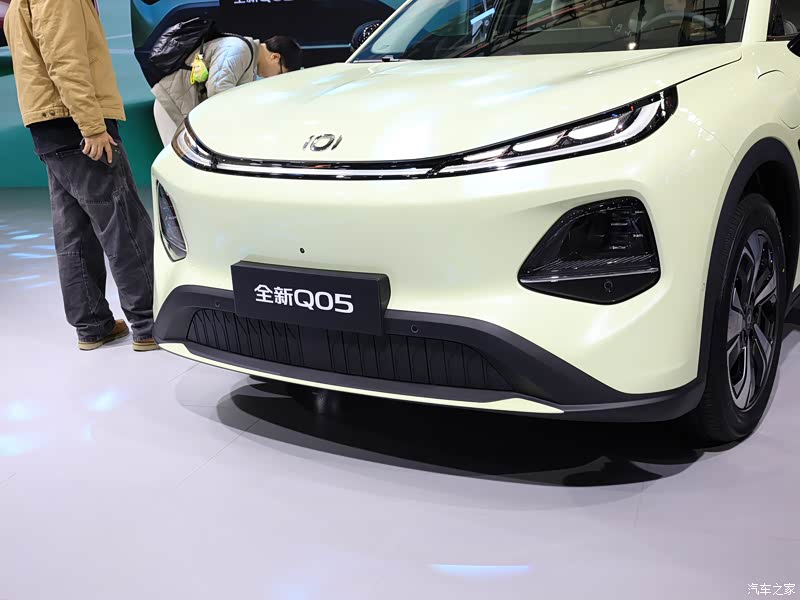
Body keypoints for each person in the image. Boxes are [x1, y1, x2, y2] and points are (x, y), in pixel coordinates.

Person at [3, 0, 159, 352]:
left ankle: (92, 325)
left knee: (73, 233)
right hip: (78, 125)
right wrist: (92, 125)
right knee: (124, 225)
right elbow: (65, 60)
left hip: (51, 126)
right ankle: (149, 322)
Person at [152, 35, 302, 146]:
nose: (274, 78)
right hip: (172, 105)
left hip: (182, 105)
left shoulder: (248, 59)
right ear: (275, 57)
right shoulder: (239, 50)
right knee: (179, 166)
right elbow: (218, 91)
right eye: (279, 73)